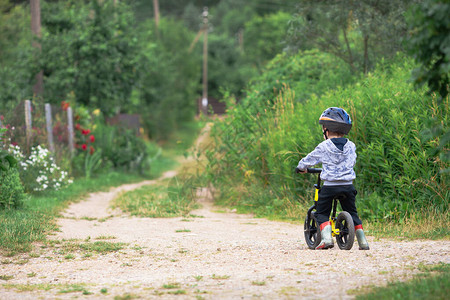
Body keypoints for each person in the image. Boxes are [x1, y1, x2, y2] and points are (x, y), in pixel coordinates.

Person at [295, 107, 369, 250]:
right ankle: (363, 242)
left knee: (322, 212)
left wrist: (301, 167)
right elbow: (352, 162)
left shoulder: (324, 146)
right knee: (353, 213)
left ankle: (327, 239)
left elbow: (309, 159)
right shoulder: (351, 146)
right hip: (348, 186)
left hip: (330, 186)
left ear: (326, 130)